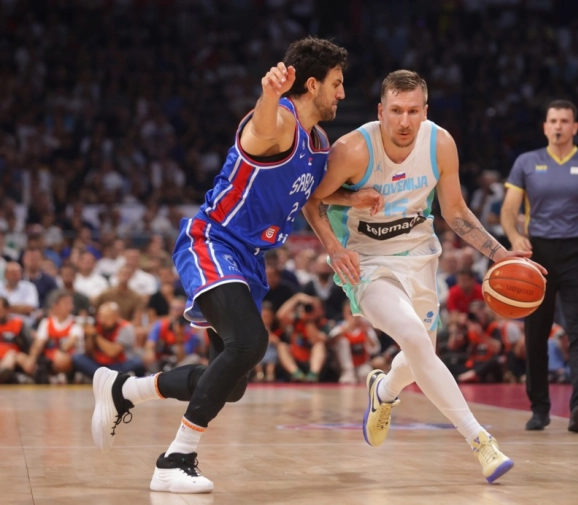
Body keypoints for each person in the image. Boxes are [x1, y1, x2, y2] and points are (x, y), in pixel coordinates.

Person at [89, 37, 378, 494]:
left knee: (233, 383)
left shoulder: (318, 141)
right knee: (249, 342)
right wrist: (268, 95)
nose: (342, 93)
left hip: (248, 260)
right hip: (213, 241)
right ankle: (175, 459)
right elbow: (259, 129)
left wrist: (340, 229)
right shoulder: (279, 122)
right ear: (311, 84)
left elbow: (311, 199)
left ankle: (124, 390)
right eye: (336, 83)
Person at [302, 70, 546, 484]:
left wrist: (501, 255)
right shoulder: (354, 149)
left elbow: (455, 212)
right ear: (381, 111)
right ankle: (481, 441)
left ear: (425, 111)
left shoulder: (440, 144)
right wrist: (336, 242)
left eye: (413, 111)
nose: (404, 121)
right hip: (367, 260)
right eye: (396, 111)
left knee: (420, 358)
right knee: (414, 339)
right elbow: (312, 198)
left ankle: (383, 392)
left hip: (419, 255)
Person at [500, 99, 578, 433]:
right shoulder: (526, 162)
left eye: (564, 121)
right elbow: (509, 209)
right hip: (537, 254)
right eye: (553, 120)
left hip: (577, 252)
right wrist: (514, 236)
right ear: (545, 126)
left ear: (575, 127)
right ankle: (539, 409)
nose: (558, 126)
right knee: (535, 335)